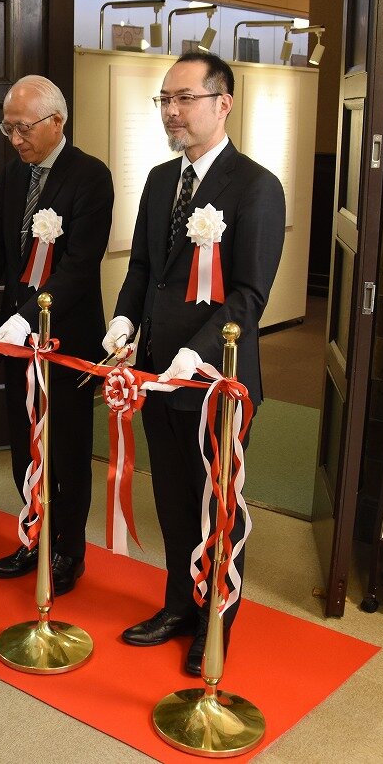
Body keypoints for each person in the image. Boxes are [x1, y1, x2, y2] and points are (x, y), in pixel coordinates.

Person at [106, 51, 285, 675]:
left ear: (223, 103)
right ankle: (178, 604)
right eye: (164, 100)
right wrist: (126, 321)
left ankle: (218, 620)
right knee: (176, 499)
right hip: (158, 374)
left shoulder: (256, 186)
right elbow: (143, 269)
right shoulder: (161, 180)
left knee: (219, 507)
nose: (172, 112)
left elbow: (249, 295)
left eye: (184, 99)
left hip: (217, 379)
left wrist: (196, 353)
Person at [0, 75, 113, 596]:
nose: (15, 139)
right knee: (24, 442)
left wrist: (28, 315)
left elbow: (81, 266)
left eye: (23, 128)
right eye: (9, 128)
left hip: (66, 337)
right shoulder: (13, 177)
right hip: (17, 334)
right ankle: (32, 534)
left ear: (56, 122)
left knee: (65, 449)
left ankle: (69, 551)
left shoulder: (90, 177)